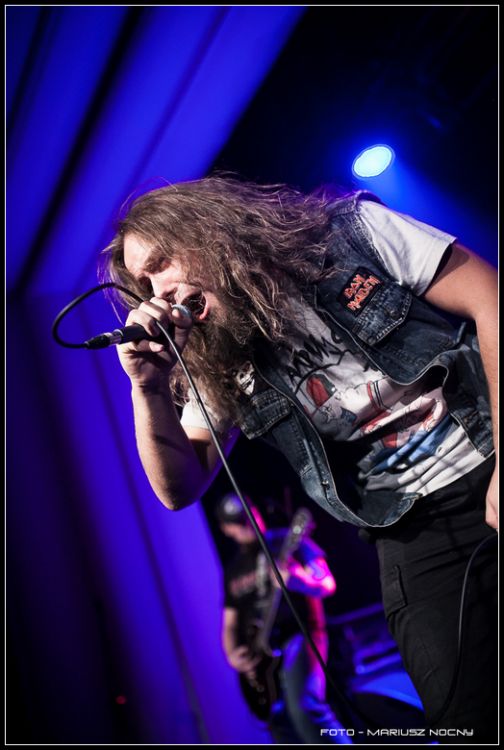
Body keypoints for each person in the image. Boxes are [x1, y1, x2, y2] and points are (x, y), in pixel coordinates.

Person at [100, 175, 497, 743]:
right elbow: (177, 486)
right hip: (409, 526)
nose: (158, 291)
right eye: (144, 285)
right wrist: (147, 386)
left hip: (487, 446)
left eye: (161, 263)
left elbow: (490, 298)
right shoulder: (216, 361)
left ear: (208, 230)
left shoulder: (350, 234)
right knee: (465, 721)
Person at [216, 492, 352, 744]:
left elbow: (327, 584)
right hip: (262, 655)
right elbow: (230, 622)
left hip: (300, 635)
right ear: (226, 529)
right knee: (278, 722)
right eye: (238, 522)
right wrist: (233, 655)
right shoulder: (233, 571)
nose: (247, 524)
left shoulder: (287, 540)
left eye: (248, 516)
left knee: (304, 707)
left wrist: (300, 581)